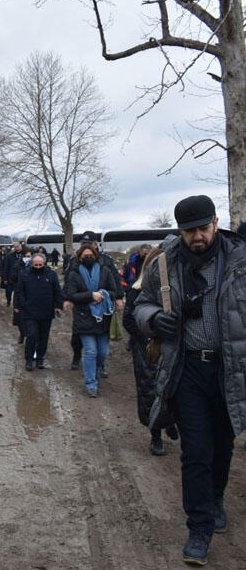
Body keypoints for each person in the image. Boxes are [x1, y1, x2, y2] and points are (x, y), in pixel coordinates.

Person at [134, 195, 246, 565]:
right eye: (189, 231)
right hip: (188, 370)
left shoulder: (240, 260)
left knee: (222, 445)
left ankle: (215, 499)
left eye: (202, 228)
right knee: (195, 450)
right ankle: (199, 528)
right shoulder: (164, 265)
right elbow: (141, 303)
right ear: (180, 232)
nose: (197, 237)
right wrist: (153, 319)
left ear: (215, 223)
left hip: (230, 369)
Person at [122, 245, 179, 456]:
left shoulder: (177, 288)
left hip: (173, 347)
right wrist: (148, 332)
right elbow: (128, 319)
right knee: (150, 391)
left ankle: (171, 420)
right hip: (148, 350)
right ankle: (155, 435)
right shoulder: (137, 290)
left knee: (174, 387)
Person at [63, 244, 121, 398]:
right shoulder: (74, 274)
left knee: (102, 352)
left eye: (90, 255)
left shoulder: (105, 271)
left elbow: (114, 290)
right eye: (84, 256)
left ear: (95, 256)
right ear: (79, 258)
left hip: (103, 317)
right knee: (90, 351)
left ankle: (96, 370)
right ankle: (91, 384)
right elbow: (71, 294)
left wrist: (102, 294)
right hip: (83, 317)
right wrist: (90, 296)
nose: (88, 258)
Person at [14, 252, 63, 371]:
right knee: (31, 335)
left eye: (40, 265)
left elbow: (57, 291)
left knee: (43, 337)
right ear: (32, 264)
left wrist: (58, 306)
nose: (38, 267)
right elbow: (19, 291)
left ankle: (40, 358)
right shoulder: (24, 274)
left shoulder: (51, 274)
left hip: (46, 311)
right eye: (35, 265)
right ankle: (29, 360)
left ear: (44, 264)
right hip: (30, 311)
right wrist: (21, 305)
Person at [1, 242, 23, 306]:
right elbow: (6, 267)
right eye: (16, 247)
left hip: (20, 277)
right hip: (10, 277)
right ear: (14, 248)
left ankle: (17, 304)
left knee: (19, 292)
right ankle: (8, 300)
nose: (18, 248)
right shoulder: (9, 256)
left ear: (21, 247)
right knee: (8, 291)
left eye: (19, 247)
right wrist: (4, 278)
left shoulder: (24, 255)